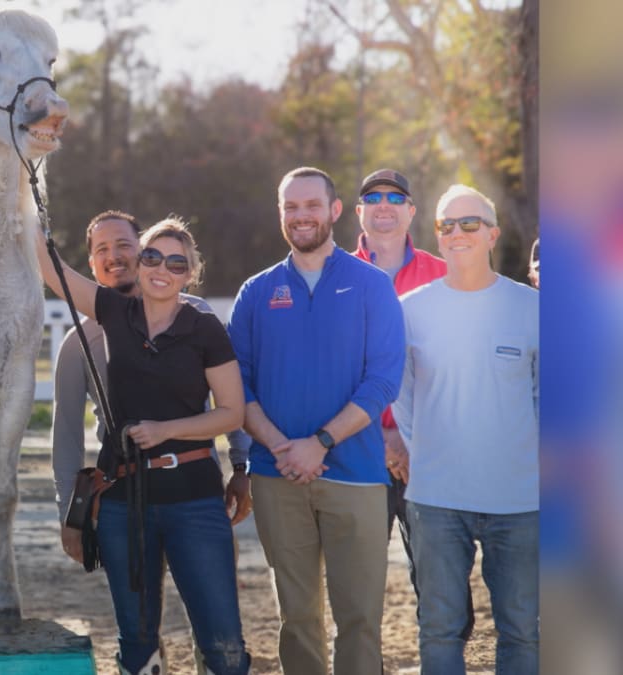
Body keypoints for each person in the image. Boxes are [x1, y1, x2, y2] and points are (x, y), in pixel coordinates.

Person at [35, 216, 251, 675]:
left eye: (176, 263)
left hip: (195, 497)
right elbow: (53, 271)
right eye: (153, 257)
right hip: (124, 502)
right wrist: (21, 203)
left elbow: (233, 411)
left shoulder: (204, 325)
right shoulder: (110, 316)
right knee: (136, 644)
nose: (161, 268)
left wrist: (234, 462)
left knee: (224, 644)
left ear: (190, 273)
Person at [228, 166, 404, 675]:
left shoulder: (371, 285)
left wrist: (321, 441)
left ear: (334, 210)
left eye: (311, 205)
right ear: (280, 214)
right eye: (290, 206)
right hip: (277, 475)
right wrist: (283, 448)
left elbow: (383, 381)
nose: (300, 216)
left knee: (360, 619)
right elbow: (238, 386)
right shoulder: (256, 292)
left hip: (357, 476)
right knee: (298, 619)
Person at [51, 210, 254, 567]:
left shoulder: (197, 316)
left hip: (196, 487)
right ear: (92, 264)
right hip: (123, 490)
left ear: (143, 252)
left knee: (215, 591)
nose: (113, 256)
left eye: (123, 245)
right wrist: (71, 514)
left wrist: (240, 466)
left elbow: (230, 400)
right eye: (102, 249)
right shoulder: (77, 343)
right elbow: (67, 435)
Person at [393, 185, 539, 674]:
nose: (457, 233)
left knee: (521, 630)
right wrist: (425, 452)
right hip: (436, 499)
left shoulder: (531, 308)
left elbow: (545, 397)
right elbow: (402, 395)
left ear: (493, 234)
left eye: (470, 223)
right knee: (439, 630)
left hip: (518, 501)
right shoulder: (410, 309)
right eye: (446, 225)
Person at [350, 168, 474, 641]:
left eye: (394, 197)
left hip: (432, 451)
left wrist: (408, 436)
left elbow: (461, 365)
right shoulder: (336, 275)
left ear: (411, 211)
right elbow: (330, 370)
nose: (383, 204)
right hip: (356, 450)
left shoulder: (444, 274)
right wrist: (380, 435)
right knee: (357, 588)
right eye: (372, 197)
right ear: (358, 212)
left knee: (444, 587)